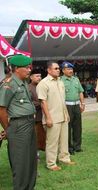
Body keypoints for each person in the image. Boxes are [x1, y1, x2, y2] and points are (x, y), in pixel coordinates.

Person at [0, 54, 37, 189]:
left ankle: (29, 186)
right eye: (26, 68)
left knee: (31, 159)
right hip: (18, 126)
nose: (29, 70)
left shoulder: (24, 83)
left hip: (28, 123)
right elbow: (1, 109)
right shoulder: (8, 85)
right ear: (16, 69)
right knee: (20, 162)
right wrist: (8, 129)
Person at [36, 61, 75, 171]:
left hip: (62, 116)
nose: (58, 70)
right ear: (49, 70)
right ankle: (51, 164)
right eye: (56, 68)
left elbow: (62, 100)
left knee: (64, 140)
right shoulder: (43, 83)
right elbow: (43, 102)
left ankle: (64, 158)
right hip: (52, 118)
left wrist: (66, 114)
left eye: (59, 68)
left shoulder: (60, 81)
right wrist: (48, 118)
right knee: (52, 142)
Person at [61, 61, 85, 155]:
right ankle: (69, 147)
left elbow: (80, 92)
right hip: (67, 105)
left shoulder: (76, 79)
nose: (71, 71)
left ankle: (77, 146)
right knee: (67, 127)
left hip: (76, 105)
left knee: (77, 126)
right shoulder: (60, 81)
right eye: (68, 69)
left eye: (71, 69)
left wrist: (82, 103)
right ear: (63, 70)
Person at [28, 68, 46, 157]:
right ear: (31, 77)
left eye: (40, 76)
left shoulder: (43, 86)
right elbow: (29, 102)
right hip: (36, 117)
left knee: (44, 136)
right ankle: (35, 155)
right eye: (37, 76)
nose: (39, 78)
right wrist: (42, 103)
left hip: (45, 116)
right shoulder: (28, 88)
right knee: (35, 137)